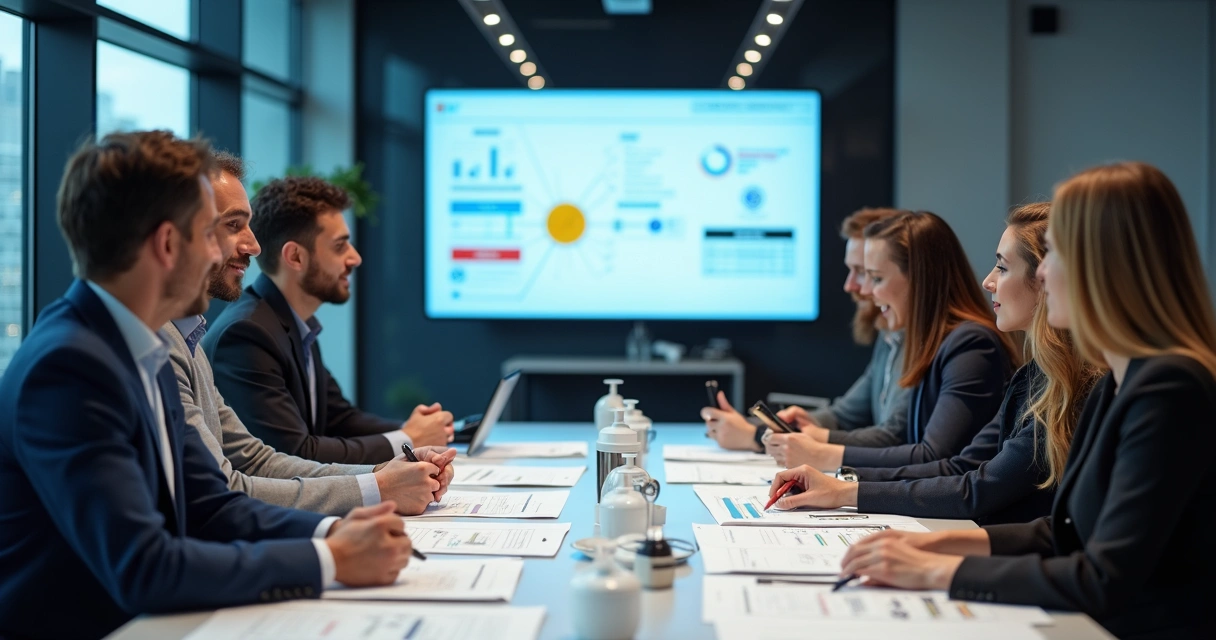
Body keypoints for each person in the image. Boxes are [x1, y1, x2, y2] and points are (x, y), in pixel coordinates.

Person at [0, 132, 414, 640]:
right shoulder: (69, 368)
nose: (226, 252)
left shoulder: (145, 343)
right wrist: (329, 559)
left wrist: (335, 531)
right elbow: (145, 568)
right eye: (210, 233)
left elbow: (210, 504)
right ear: (168, 245)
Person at [835, 162, 1216, 640]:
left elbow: (1102, 578)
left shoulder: (1169, 388)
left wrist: (936, 571)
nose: (1044, 272)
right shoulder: (1122, 381)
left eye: (1055, 254)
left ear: (1103, 265)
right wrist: (936, 546)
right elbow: (1065, 532)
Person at [770, 203, 1101, 525]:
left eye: (1001, 267)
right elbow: (965, 468)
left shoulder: (976, 346)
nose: (988, 281)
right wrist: (844, 485)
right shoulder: (1032, 376)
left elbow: (969, 480)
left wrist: (842, 483)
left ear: (1045, 279)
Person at [169, 151, 455, 516]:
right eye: (233, 225)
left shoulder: (193, 336)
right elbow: (245, 478)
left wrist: (387, 471)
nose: (253, 245)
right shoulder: (240, 332)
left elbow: (259, 459)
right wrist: (386, 476)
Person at [204, 176, 453, 464]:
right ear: (296, 257)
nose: (355, 258)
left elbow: (340, 419)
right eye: (339, 246)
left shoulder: (293, 324)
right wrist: (408, 439)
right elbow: (294, 454)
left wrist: (416, 430)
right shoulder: (247, 333)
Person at [766, 210, 1018, 469]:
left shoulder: (971, 345)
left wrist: (823, 454)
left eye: (876, 278)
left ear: (919, 279)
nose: (866, 290)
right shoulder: (924, 339)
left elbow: (933, 456)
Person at [702, 207, 912, 451]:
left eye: (868, 274)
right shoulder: (890, 336)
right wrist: (777, 426)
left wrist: (756, 437)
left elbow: (893, 438)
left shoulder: (926, 343)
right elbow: (844, 415)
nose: (852, 286)